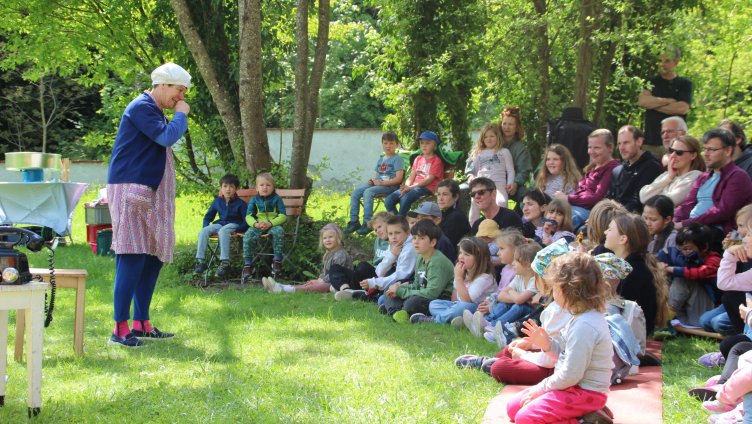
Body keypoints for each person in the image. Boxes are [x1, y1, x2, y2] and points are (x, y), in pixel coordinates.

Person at [106, 62, 191, 347]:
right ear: (164, 84)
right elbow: (167, 137)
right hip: (131, 190)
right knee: (132, 255)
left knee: (152, 256)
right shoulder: (141, 106)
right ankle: (119, 328)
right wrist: (181, 116)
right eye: (179, 90)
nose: (181, 97)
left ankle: (141, 322)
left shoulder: (154, 111)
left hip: (149, 193)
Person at [506, 252, 614, 424]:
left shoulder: (584, 326)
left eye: (554, 288)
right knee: (513, 407)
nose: (552, 294)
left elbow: (571, 374)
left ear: (567, 290)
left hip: (585, 393)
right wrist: (547, 345)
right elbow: (564, 357)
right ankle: (586, 415)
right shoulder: (578, 318)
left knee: (524, 419)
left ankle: (585, 420)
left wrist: (540, 390)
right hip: (571, 387)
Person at [455, 239, 573, 385]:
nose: (534, 281)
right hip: (553, 357)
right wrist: (530, 345)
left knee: (501, 368)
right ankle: (491, 360)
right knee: (512, 347)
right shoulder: (557, 306)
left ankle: (492, 363)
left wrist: (524, 355)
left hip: (556, 369)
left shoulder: (559, 311)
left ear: (549, 280)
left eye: (536, 276)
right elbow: (555, 344)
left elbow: (551, 360)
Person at [674, 128, 752, 235]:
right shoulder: (703, 177)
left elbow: (722, 212)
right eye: (704, 149)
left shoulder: (738, 176)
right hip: (692, 228)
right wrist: (673, 222)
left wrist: (684, 224)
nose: (705, 154)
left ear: (728, 151)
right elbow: (687, 205)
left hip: (715, 232)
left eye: (711, 149)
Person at [604, 213, 669, 335]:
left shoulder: (633, 272)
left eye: (610, 229)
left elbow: (622, 317)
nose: (605, 232)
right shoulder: (633, 265)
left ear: (622, 239)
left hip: (631, 337)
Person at [467, 241, 541, 342]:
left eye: (516, 261)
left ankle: (493, 326)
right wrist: (515, 295)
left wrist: (512, 292)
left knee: (519, 306)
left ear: (528, 265)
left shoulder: (535, 281)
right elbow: (501, 295)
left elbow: (519, 300)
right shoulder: (519, 277)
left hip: (529, 315)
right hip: (517, 308)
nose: (513, 263)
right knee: (506, 303)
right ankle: (486, 322)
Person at [411, 237, 496, 324]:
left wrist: (459, 278)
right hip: (460, 305)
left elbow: (466, 301)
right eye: (460, 253)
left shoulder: (485, 278)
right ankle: (456, 318)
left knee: (462, 307)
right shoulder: (462, 272)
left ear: (479, 259)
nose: (461, 257)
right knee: (434, 304)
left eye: (466, 254)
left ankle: (435, 320)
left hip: (477, 309)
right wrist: (453, 307)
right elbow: (455, 296)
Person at [384, 219, 454, 322]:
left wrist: (401, 291)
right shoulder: (421, 257)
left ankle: (396, 310)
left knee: (412, 303)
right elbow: (418, 284)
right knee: (389, 289)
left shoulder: (437, 262)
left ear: (433, 242)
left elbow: (432, 293)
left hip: (439, 299)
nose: (416, 242)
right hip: (422, 294)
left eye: (421, 238)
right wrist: (399, 288)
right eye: (414, 238)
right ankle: (397, 313)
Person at [336, 215, 418, 303]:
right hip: (389, 279)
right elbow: (379, 272)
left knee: (382, 299)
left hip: (408, 282)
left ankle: (367, 295)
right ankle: (351, 290)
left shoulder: (409, 249)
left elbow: (401, 276)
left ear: (408, 232)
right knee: (337, 268)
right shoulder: (395, 244)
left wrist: (375, 283)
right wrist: (392, 254)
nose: (393, 237)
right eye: (390, 234)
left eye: (397, 233)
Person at [553, 129, 620, 229]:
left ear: (610, 147)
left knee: (565, 219)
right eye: (589, 147)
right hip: (579, 206)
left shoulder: (612, 168)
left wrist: (568, 198)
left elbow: (597, 198)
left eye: (596, 148)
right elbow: (581, 191)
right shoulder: (592, 167)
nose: (591, 152)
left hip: (593, 211)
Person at [657, 223, 720, 327]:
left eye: (688, 249)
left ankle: (663, 321)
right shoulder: (677, 254)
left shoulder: (715, 260)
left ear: (704, 247)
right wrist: (660, 265)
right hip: (685, 313)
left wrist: (670, 269)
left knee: (683, 279)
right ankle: (662, 316)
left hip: (706, 312)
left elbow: (698, 272)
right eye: (680, 249)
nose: (684, 252)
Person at [262, 223, 351, 293]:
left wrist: (320, 281)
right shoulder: (330, 253)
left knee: (314, 287)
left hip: (339, 284)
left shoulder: (340, 255)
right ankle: (281, 287)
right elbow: (325, 273)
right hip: (329, 282)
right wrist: (319, 279)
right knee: (309, 284)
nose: (327, 240)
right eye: (325, 238)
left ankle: (283, 289)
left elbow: (336, 275)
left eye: (330, 237)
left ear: (338, 238)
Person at [637, 47, 693, 160]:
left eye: (667, 61)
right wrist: (668, 101)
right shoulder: (651, 81)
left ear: (676, 62)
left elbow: (682, 108)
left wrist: (654, 104)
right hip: (650, 142)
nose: (662, 64)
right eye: (660, 61)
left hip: (675, 144)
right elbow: (642, 101)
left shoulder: (684, 84)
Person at [345, 131, 405, 235]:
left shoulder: (397, 159)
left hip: (390, 186)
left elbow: (399, 179)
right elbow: (378, 176)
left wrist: (381, 184)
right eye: (385, 143)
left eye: (391, 143)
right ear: (382, 144)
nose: (388, 146)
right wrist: (373, 181)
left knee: (368, 192)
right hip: (378, 184)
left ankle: (368, 223)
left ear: (397, 145)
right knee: (356, 192)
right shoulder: (381, 159)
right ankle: (354, 222)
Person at [194, 174, 248, 277]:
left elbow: (246, 220)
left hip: (234, 224)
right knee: (203, 231)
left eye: (231, 186)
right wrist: (205, 226)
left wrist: (238, 230)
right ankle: (201, 262)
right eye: (225, 186)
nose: (228, 189)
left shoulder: (241, 204)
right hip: (221, 223)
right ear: (221, 188)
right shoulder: (217, 202)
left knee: (223, 230)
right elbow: (208, 217)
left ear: (237, 188)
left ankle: (225, 264)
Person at [330, 212, 392, 295]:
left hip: (382, 275)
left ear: (389, 223)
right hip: (372, 273)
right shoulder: (378, 240)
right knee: (335, 268)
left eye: (380, 227)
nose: (378, 231)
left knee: (363, 266)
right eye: (375, 230)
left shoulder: (395, 239)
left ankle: (343, 287)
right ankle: (346, 289)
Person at [384, 131, 444, 216]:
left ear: (434, 145)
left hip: (427, 189)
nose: (424, 145)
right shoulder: (418, 159)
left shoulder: (436, 161)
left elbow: (428, 180)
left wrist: (411, 187)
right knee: (388, 200)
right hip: (413, 188)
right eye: (422, 143)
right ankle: (399, 220)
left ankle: (399, 221)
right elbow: (411, 176)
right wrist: (407, 186)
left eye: (427, 143)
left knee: (406, 196)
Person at [241, 173, 287, 283]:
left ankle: (277, 261)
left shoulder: (277, 199)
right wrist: (256, 224)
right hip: (258, 225)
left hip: (273, 225)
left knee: (279, 231)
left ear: (273, 187)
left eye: (268, 185)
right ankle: (248, 264)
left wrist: (271, 223)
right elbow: (248, 216)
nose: (265, 187)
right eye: (261, 185)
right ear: (257, 188)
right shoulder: (254, 200)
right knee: (247, 235)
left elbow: (283, 216)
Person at [606, 125, 663, 213]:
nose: (621, 148)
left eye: (626, 142)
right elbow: (608, 198)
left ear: (639, 141)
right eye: (619, 143)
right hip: (611, 216)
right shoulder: (617, 171)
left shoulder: (652, 167)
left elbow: (637, 204)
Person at [467, 123, 515, 221]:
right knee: (475, 205)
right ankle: (473, 230)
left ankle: (501, 227)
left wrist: (510, 183)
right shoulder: (479, 153)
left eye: (492, 136)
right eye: (486, 137)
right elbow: (474, 170)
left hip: (498, 185)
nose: (489, 139)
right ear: (482, 139)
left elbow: (510, 170)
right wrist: (471, 176)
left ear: (498, 137)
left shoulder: (504, 152)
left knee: (501, 202)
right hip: (482, 185)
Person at [639, 136, 705, 207]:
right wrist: (669, 177)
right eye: (671, 150)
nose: (673, 155)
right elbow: (643, 197)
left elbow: (667, 203)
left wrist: (655, 193)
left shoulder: (695, 176)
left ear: (693, 155)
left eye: (679, 152)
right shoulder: (667, 175)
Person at [499, 107, 533, 205]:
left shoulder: (521, 148)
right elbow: (475, 154)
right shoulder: (492, 139)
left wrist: (516, 183)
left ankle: (518, 218)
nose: (507, 127)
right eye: (504, 123)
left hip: (511, 185)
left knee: (530, 197)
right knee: (462, 189)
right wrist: (470, 174)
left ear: (517, 127)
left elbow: (524, 171)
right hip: (489, 182)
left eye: (510, 124)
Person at [436, 179, 471, 246]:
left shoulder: (456, 217)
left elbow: (445, 244)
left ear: (456, 197)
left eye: (445, 194)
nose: (440, 198)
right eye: (438, 194)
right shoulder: (443, 213)